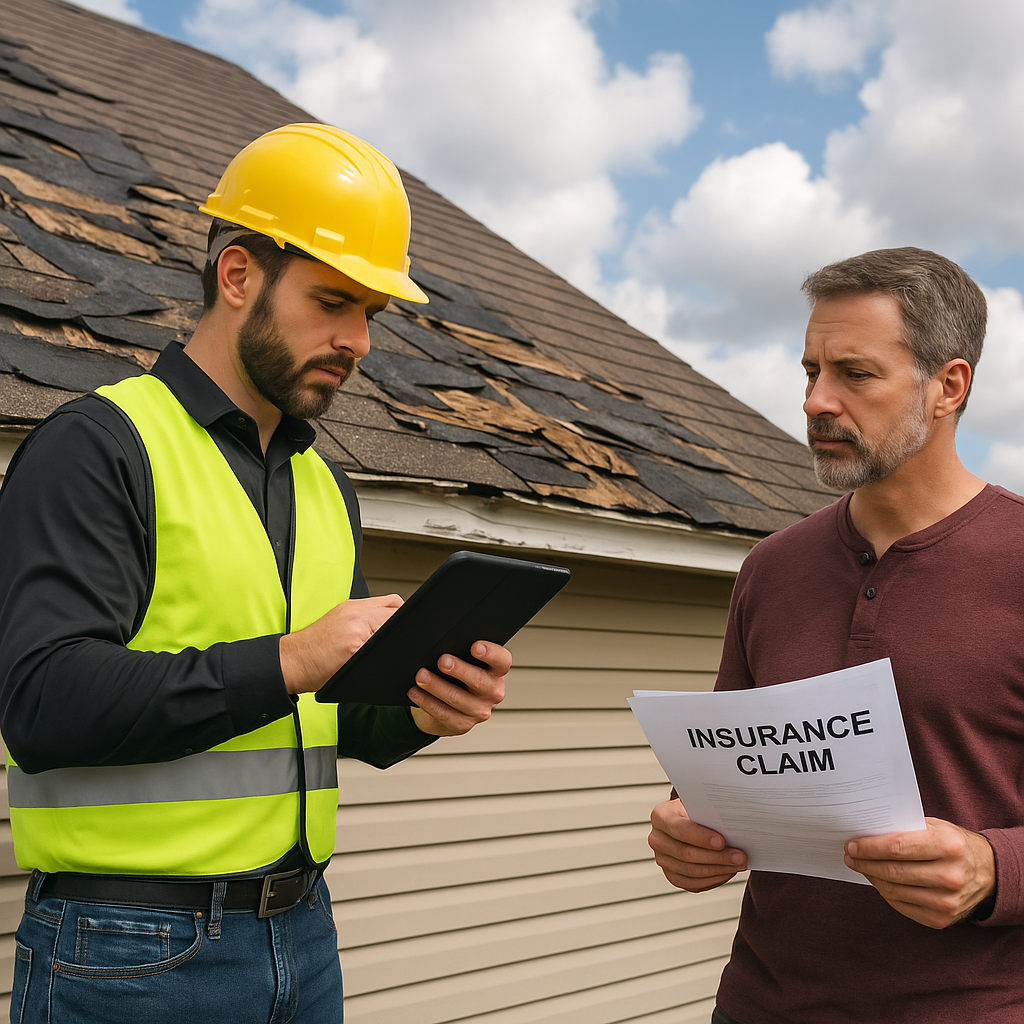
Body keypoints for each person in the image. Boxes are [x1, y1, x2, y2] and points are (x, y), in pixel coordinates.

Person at [0, 123, 510, 1023]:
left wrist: (420, 711)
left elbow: (326, 719)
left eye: (369, 315)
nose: (356, 339)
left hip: (302, 936)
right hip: (130, 950)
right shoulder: (100, 447)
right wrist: (289, 660)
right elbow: (41, 704)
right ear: (237, 276)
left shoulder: (326, 488)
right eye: (332, 301)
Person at [647, 247, 1024, 1023]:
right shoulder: (770, 569)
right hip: (759, 1003)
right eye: (810, 371)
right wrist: (688, 831)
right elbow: (722, 776)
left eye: (855, 374)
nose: (818, 401)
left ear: (948, 386)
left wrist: (997, 867)